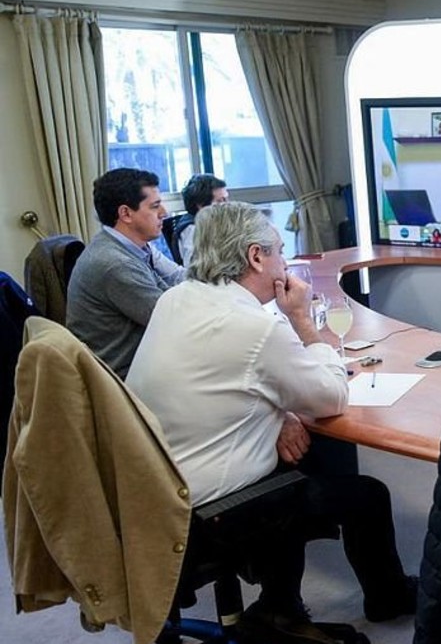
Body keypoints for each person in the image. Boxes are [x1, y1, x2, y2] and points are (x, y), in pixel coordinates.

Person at [127, 202, 415, 642]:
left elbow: (222, 382)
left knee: (298, 459)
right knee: (365, 493)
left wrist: (278, 413)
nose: (285, 264)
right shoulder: (255, 328)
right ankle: (382, 597)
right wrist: (302, 319)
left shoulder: (175, 299)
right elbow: (331, 396)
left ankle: (281, 606)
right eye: (280, 252)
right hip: (209, 510)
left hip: (154, 491)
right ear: (256, 257)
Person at [66, 168, 186, 379]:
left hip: (143, 360)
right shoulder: (115, 264)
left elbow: (170, 286)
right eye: (155, 206)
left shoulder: (131, 247)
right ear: (126, 214)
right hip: (124, 379)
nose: (164, 213)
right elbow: (172, 319)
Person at [177, 173, 229, 265]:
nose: (227, 206)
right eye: (220, 201)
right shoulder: (192, 230)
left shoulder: (213, 223)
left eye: (226, 199)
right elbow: (192, 269)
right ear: (201, 205)